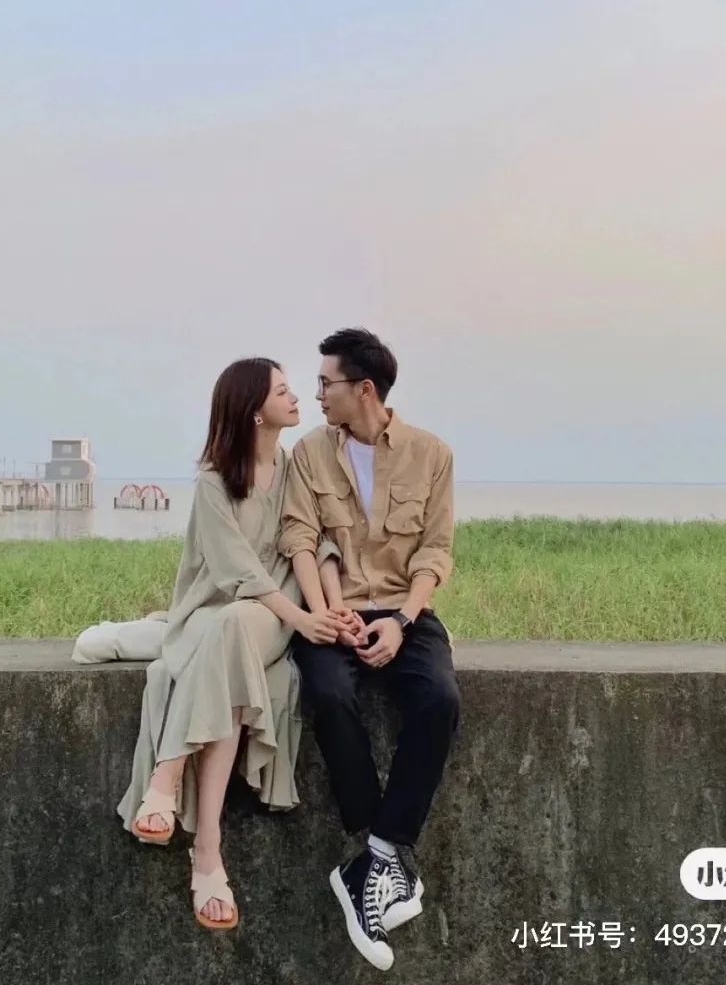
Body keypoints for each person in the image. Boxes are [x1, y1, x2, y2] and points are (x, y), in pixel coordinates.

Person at [116, 357, 353, 930]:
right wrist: (301, 619)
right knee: (230, 645)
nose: (296, 398)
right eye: (282, 391)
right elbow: (234, 570)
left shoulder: (296, 467)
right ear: (254, 412)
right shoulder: (214, 480)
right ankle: (208, 851)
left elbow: (317, 541)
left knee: (236, 633)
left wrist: (325, 609)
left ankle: (166, 778)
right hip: (215, 610)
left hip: (271, 615)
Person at [279, 327, 460, 971]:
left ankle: (377, 856)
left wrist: (402, 621)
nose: (316, 394)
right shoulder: (308, 453)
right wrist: (326, 614)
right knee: (327, 692)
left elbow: (436, 551)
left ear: (363, 389)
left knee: (439, 700)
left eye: (325, 383)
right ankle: (378, 846)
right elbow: (300, 536)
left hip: (406, 612)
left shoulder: (431, 453)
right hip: (334, 608)